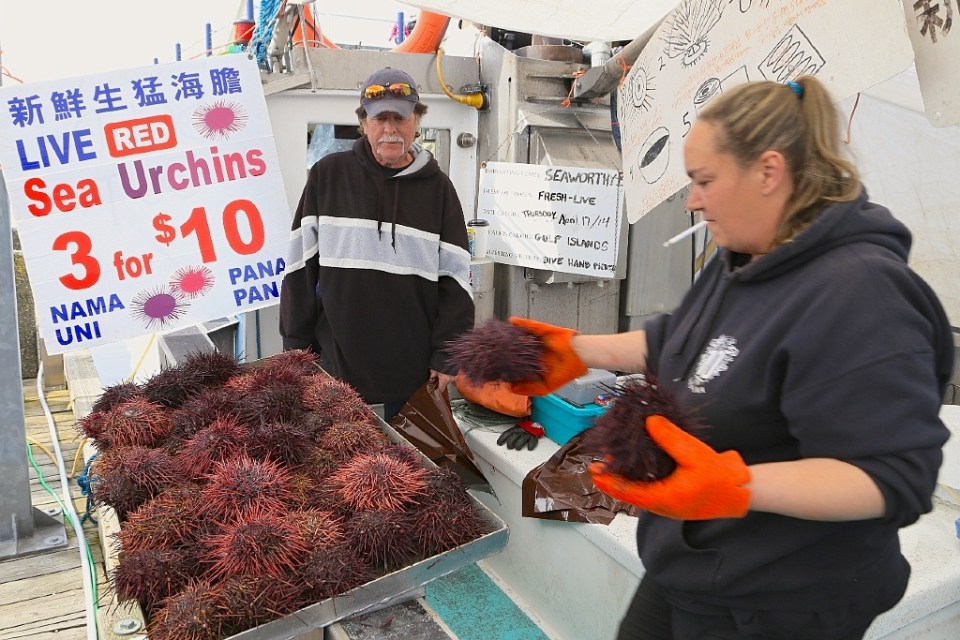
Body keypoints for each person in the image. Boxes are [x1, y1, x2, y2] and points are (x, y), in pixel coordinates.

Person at [507, 75, 954, 639]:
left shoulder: (863, 293)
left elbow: (895, 478)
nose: (692, 199)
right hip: (690, 565)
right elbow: (688, 344)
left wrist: (737, 485)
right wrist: (576, 351)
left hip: (780, 602)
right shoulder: (740, 256)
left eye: (704, 180)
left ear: (768, 172)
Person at [279, 66, 475, 422]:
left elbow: (457, 280)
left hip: (412, 373)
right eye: (379, 118)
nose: (390, 129)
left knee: (405, 472)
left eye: (399, 118)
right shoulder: (328, 175)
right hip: (335, 366)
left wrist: (447, 356)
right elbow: (299, 269)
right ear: (363, 122)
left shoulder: (440, 190)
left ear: (416, 121)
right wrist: (295, 349)